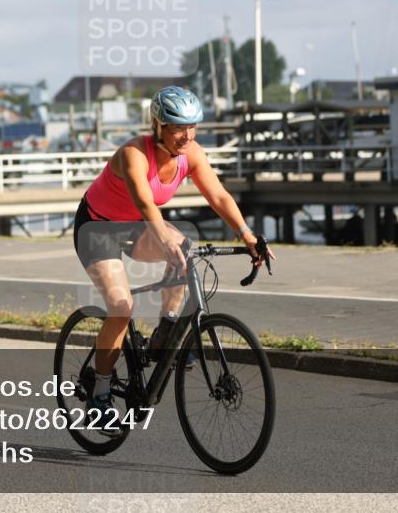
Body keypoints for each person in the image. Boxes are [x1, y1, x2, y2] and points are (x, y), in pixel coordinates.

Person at [73, 86, 274, 433]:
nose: (188, 135)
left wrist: (247, 235)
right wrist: (164, 236)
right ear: (159, 125)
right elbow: (145, 202)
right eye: (179, 127)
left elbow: (218, 195)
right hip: (98, 228)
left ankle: (165, 331)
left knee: (187, 247)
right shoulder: (134, 153)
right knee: (121, 308)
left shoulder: (191, 153)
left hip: (136, 226)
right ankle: (100, 395)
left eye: (193, 126)